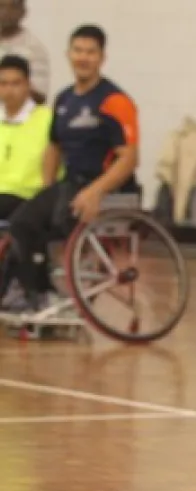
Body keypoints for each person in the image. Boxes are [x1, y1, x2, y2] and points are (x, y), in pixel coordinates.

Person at [5, 24, 138, 315]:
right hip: (70, 184)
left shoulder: (115, 101)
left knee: (48, 221)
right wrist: (46, 188)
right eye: (78, 51)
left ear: (102, 57)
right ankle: (37, 293)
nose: (83, 57)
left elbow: (128, 158)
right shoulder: (65, 99)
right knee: (22, 222)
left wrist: (96, 191)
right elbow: (54, 147)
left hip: (104, 187)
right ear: (68, 54)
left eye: (90, 52)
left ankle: (44, 292)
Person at [0, 54, 49, 219]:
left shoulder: (47, 119)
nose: (9, 90)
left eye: (16, 83)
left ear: (28, 85)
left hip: (28, 198)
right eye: (3, 84)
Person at [0, 0, 49, 103]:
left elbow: (39, 95)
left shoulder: (33, 48)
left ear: (23, 11)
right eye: (1, 6)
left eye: (13, 7)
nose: (5, 12)